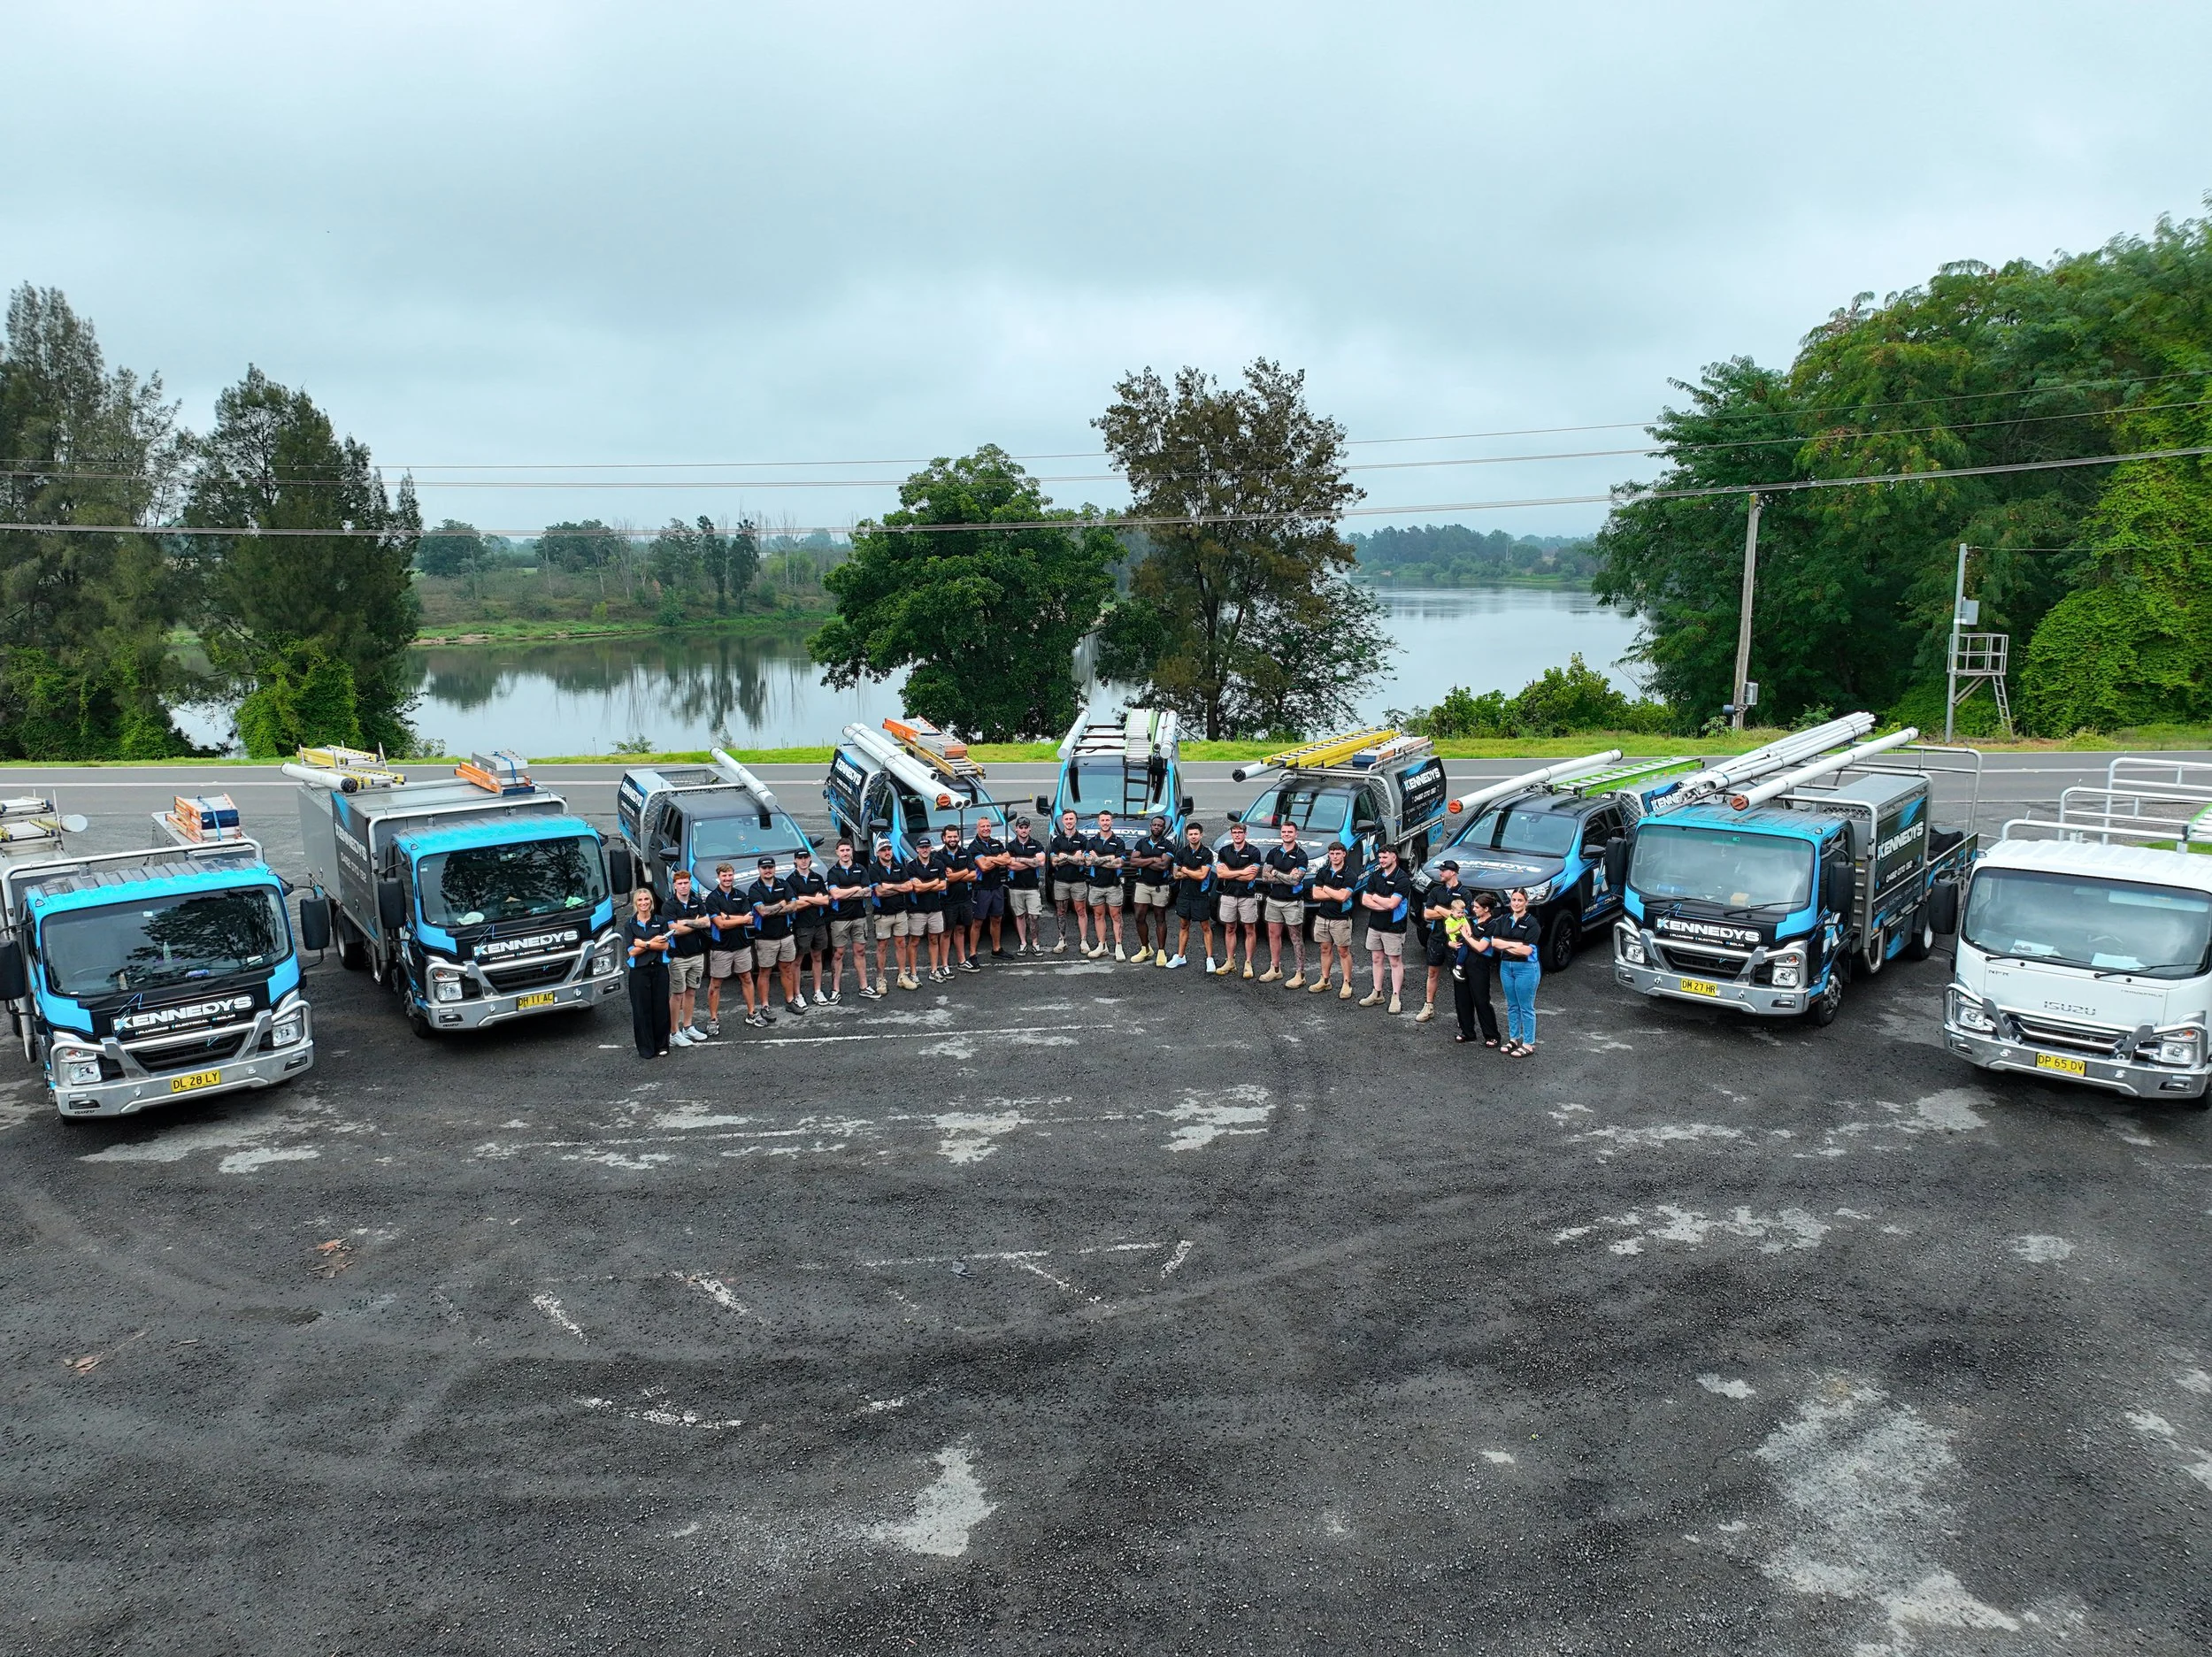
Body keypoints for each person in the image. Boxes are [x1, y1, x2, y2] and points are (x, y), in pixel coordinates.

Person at [1357, 843, 1414, 1013]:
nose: (1381, 860)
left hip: (1393, 928)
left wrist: (1375, 898)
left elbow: (1393, 904)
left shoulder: (1402, 879)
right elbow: (1364, 900)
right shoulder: (1376, 875)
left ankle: (1396, 997)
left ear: (1394, 857)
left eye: (1385, 857)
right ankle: (1377, 993)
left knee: (1395, 961)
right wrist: (1382, 904)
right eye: (1380, 857)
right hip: (1375, 925)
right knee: (1376, 959)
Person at [702, 862, 757, 1032]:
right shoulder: (712, 898)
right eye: (724, 875)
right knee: (716, 984)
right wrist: (739, 920)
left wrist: (728, 917)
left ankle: (752, 1013)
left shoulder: (741, 895)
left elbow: (750, 918)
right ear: (718, 877)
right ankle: (713, 1019)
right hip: (721, 948)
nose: (727, 878)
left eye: (730, 875)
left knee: (747, 979)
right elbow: (720, 925)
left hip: (742, 946)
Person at [659, 868, 712, 1045]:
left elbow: (707, 922)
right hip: (678, 958)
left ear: (690, 884)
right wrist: (696, 924)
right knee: (677, 994)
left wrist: (686, 922)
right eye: (680, 884)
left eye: (686, 883)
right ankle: (674, 1033)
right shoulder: (669, 906)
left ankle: (688, 1027)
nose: (683, 886)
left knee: (691, 992)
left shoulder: (697, 902)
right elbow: (674, 930)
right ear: (674, 886)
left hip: (697, 955)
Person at [621, 886, 674, 1058]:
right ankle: (646, 1048)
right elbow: (631, 951)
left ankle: (662, 1045)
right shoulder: (629, 924)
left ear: (651, 902)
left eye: (646, 899)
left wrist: (644, 944)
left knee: (660, 1008)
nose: (643, 903)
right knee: (641, 1010)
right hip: (639, 972)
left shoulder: (661, 921)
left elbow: (665, 945)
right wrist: (652, 942)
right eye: (640, 900)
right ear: (635, 904)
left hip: (659, 969)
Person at [745, 855, 798, 1021]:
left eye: (770, 867)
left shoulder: (783, 884)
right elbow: (763, 912)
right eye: (764, 868)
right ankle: (765, 1005)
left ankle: (790, 1000)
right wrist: (782, 904)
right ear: (759, 869)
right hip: (765, 938)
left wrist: (776, 908)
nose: (768, 871)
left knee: (787, 969)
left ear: (774, 868)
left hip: (786, 936)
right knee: (765, 972)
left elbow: (794, 906)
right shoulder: (754, 889)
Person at [1259, 821, 1310, 986]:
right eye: (1284, 831)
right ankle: (1275, 969)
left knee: (1296, 937)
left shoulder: (1301, 855)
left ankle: (1300, 974)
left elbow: (1296, 880)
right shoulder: (1273, 852)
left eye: (1290, 832)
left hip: (1292, 903)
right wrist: (1285, 876)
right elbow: (1265, 877)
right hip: (1273, 901)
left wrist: (1276, 872)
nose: (1286, 834)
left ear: (1296, 834)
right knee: (1273, 935)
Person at [1494, 886, 1543, 1055]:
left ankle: (1528, 1043)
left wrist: (1506, 944)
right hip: (1506, 967)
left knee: (1526, 1007)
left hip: (1526, 968)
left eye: (1520, 900)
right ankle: (1514, 1038)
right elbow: (1495, 943)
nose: (1516, 903)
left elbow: (1527, 951)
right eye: (1514, 900)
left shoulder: (1532, 923)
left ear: (1526, 902)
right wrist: (1515, 944)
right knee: (1512, 1005)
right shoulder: (1504, 920)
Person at [1210, 820, 1263, 977]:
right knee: (1230, 928)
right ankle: (1230, 961)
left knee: (1249, 929)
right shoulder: (1224, 851)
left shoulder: (1254, 852)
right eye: (1235, 833)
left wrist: (1231, 872)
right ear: (1231, 834)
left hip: (1247, 897)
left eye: (1240, 832)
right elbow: (1220, 874)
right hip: (1228, 896)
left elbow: (1251, 876)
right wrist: (1242, 871)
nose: (1237, 835)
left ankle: (1248, 963)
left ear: (1245, 834)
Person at [1417, 859, 1466, 1024]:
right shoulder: (1436, 890)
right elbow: (1427, 915)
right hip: (1437, 938)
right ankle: (1428, 1006)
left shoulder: (1465, 893)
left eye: (1444, 870)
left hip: (1456, 940)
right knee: (1432, 973)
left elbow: (1463, 918)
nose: (1440, 873)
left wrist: (1439, 909)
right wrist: (1449, 913)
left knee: (1458, 976)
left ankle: (1462, 1015)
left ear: (1453, 872)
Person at [1306, 842, 1358, 1000]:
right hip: (1323, 917)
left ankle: (1347, 983)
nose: (1334, 857)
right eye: (1332, 854)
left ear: (1344, 854)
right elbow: (1315, 894)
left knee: (1343, 951)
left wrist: (1326, 889)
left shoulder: (1350, 874)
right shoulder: (1323, 872)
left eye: (1338, 853)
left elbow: (1344, 897)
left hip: (1341, 919)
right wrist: (1335, 893)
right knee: (1324, 949)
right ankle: (1325, 980)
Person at [824, 838, 873, 1003]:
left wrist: (845, 892)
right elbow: (835, 895)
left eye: (848, 850)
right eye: (842, 850)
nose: (845, 853)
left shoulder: (860, 869)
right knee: (838, 954)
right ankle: (835, 990)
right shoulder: (833, 872)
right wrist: (855, 889)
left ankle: (864, 986)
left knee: (860, 951)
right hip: (839, 920)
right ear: (837, 852)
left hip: (859, 917)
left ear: (852, 851)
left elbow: (867, 892)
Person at [1452, 889, 1503, 1047]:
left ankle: (1492, 1035)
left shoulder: (1492, 925)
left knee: (1481, 1000)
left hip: (1479, 965)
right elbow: (1455, 937)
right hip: (1463, 962)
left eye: (1477, 907)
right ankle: (1467, 1032)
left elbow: (1481, 947)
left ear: (1486, 909)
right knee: (1462, 999)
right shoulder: (1470, 921)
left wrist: (1467, 937)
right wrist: (1451, 943)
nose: (1473, 910)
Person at [1165, 819, 1215, 969]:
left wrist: (1186, 870)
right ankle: (1180, 957)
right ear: (1187, 836)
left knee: (1205, 927)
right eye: (1191, 834)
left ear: (1201, 835)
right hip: (1184, 895)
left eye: (1196, 834)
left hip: (1201, 896)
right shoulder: (1181, 853)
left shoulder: (1207, 854)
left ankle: (1209, 959)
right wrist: (1195, 872)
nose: (1193, 836)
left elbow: (1202, 876)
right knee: (1183, 925)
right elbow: (1175, 875)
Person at [1127, 814, 1175, 964]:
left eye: (1160, 825)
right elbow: (1133, 862)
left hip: (1160, 886)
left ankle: (1161, 951)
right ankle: (1145, 948)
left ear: (1163, 828)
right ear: (1151, 826)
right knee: (1139, 917)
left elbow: (1163, 866)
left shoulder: (1168, 845)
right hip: (1142, 884)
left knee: (1160, 918)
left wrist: (1144, 861)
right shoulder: (1141, 842)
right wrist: (1154, 859)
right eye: (1154, 825)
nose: (1156, 828)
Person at [787, 847, 832, 1006]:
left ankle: (818, 991)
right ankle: (797, 994)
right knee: (797, 960)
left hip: (819, 923)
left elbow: (826, 900)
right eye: (800, 858)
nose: (803, 860)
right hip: (801, 925)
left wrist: (804, 898)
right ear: (795, 860)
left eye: (806, 857)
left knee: (817, 957)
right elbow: (794, 905)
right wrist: (814, 898)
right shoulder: (791, 880)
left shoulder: (818, 878)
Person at [869, 839, 914, 993]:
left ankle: (902, 975)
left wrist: (890, 886)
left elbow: (909, 887)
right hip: (882, 915)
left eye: (889, 849)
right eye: (883, 850)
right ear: (877, 852)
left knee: (901, 943)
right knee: (882, 946)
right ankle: (880, 978)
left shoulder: (899, 867)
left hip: (900, 912)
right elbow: (879, 892)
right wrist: (899, 887)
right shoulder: (873, 869)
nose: (887, 852)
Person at [1086, 810, 1128, 960]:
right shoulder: (1091, 841)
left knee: (1116, 916)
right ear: (1099, 822)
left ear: (1112, 822)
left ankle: (1118, 946)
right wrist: (1109, 858)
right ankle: (1101, 946)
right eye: (1102, 820)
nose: (1105, 823)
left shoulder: (1119, 842)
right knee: (1098, 915)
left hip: (1113, 886)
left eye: (1107, 820)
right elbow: (1088, 861)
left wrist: (1098, 860)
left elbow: (1118, 863)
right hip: (1096, 885)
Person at [906, 836, 949, 983]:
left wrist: (925, 884)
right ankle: (913, 973)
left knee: (934, 939)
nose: (925, 850)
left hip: (935, 909)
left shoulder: (939, 864)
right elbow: (916, 888)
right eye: (922, 847)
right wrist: (934, 881)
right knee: (915, 941)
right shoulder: (911, 866)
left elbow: (943, 886)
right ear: (917, 849)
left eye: (927, 847)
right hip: (917, 909)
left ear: (931, 848)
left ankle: (934, 970)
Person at [1048, 808, 1090, 955]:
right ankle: (1062, 940)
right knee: (1061, 912)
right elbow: (1054, 862)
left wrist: (1063, 857)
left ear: (1075, 820)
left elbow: (1082, 861)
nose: (1069, 821)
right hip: (1060, 882)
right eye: (1066, 819)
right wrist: (1073, 857)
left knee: (1081, 911)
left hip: (1078, 882)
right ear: (1062, 821)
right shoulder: (1057, 840)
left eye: (1071, 819)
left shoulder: (1083, 840)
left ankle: (1084, 941)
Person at [968, 816, 1010, 958]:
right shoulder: (973, 846)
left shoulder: (996, 842)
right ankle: (973, 953)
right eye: (983, 826)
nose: (986, 829)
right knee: (978, 921)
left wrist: (990, 858)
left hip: (997, 887)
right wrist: (997, 858)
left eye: (988, 826)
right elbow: (984, 867)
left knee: (997, 918)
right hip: (982, 889)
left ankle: (996, 949)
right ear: (977, 828)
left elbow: (1008, 859)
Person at [939, 824, 979, 972]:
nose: (953, 839)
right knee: (946, 932)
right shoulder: (938, 856)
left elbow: (974, 875)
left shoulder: (966, 853)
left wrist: (956, 874)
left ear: (959, 837)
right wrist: (965, 871)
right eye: (949, 836)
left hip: (965, 899)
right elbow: (946, 878)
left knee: (961, 929)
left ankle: (962, 961)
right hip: (947, 901)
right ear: (944, 838)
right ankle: (944, 965)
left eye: (955, 836)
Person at [1004, 816, 1046, 955]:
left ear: (1030, 829)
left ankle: (1035, 942)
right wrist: (1030, 862)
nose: (1023, 830)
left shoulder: (1037, 844)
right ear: (1016, 829)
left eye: (1025, 827)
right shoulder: (1010, 846)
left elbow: (1040, 862)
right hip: (1015, 887)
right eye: (1020, 827)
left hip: (1032, 888)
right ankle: (1023, 943)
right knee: (1020, 915)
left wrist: (1018, 859)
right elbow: (1010, 866)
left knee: (1034, 916)